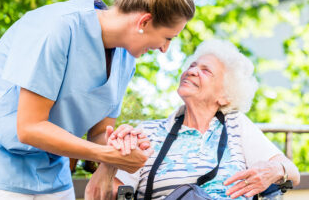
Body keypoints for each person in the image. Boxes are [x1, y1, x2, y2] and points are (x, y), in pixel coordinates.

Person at [0, 0, 195, 199]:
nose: (164, 48)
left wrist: (123, 145)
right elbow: (29, 128)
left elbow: (98, 134)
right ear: (144, 22)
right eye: (168, 37)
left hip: (54, 179)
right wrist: (104, 154)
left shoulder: (125, 58)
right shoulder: (58, 27)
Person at [94, 39, 300, 200]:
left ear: (225, 96)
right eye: (192, 66)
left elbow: (293, 173)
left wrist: (275, 169)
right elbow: (101, 196)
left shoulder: (236, 125)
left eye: (205, 71)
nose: (191, 71)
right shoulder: (147, 133)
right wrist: (110, 161)